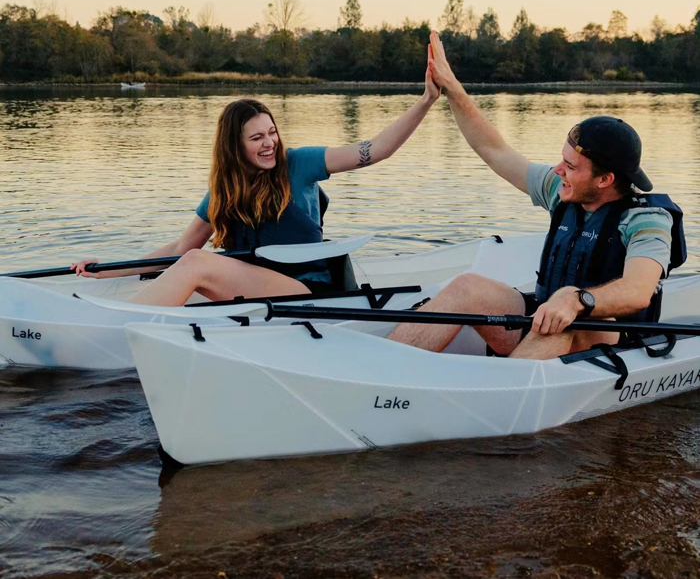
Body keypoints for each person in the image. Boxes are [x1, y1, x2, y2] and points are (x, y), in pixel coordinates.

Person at [388, 31, 683, 359]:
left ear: (605, 179)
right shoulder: (564, 191)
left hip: (609, 338)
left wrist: (576, 300)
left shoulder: (646, 219)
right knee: (466, 286)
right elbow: (493, 149)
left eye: (570, 166)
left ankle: (497, 397)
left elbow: (639, 291)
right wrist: (452, 88)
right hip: (545, 316)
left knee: (567, 323)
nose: (558, 171)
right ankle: (382, 369)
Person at [73, 56, 440, 305]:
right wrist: (107, 270)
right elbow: (182, 245)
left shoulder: (299, 163)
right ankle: (128, 319)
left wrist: (425, 101)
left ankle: (119, 327)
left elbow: (375, 149)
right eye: (257, 138)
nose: (270, 144)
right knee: (194, 258)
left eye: (272, 132)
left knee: (198, 263)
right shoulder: (224, 190)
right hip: (254, 284)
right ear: (235, 145)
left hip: (306, 291)